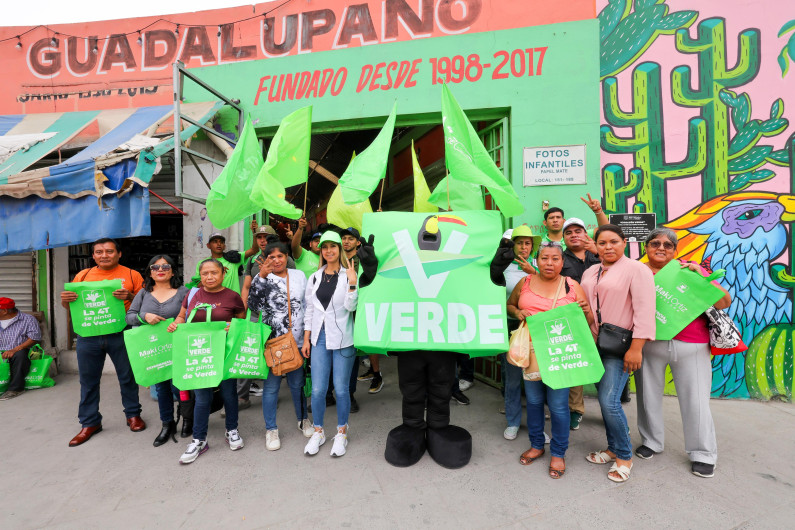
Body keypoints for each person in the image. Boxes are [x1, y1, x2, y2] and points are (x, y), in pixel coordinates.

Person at [635, 227, 731, 478]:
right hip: (649, 344)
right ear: (646, 247)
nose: (661, 248)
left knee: (696, 401)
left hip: (692, 344)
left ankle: (703, 453)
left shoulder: (689, 270)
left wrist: (701, 277)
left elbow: (724, 302)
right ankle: (651, 441)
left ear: (675, 250)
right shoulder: (637, 271)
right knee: (647, 397)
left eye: (668, 245)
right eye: (655, 243)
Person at [506, 242, 593, 478]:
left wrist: (585, 310)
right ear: (537, 260)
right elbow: (510, 305)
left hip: (560, 354)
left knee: (557, 406)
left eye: (555, 259)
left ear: (562, 262)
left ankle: (558, 452)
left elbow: (588, 321)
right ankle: (536, 445)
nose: (549, 263)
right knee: (533, 402)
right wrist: (518, 313)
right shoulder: (524, 283)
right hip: (532, 352)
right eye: (544, 258)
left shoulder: (571, 285)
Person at [580, 225, 655, 483]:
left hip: (621, 346)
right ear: (596, 246)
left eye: (614, 241)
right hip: (594, 344)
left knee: (610, 401)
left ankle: (624, 455)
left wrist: (636, 349)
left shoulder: (637, 269)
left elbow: (645, 311)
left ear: (624, 242)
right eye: (602, 243)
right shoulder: (591, 270)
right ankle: (612, 448)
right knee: (604, 400)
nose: (608, 247)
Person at [60, 238, 146, 447]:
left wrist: (131, 295)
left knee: (127, 376)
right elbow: (70, 307)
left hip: (121, 331)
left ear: (119, 254)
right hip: (88, 334)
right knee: (88, 380)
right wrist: (66, 300)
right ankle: (90, 423)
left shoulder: (132, 275)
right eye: (99, 252)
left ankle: (133, 414)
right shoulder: (83, 275)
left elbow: (145, 304)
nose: (104, 255)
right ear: (93, 256)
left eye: (109, 251)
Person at [168, 258, 246, 464]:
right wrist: (175, 325)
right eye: (205, 274)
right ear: (200, 276)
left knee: (229, 394)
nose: (209, 277)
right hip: (199, 355)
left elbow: (241, 320)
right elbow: (181, 317)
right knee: (202, 398)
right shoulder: (193, 294)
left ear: (222, 274)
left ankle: (232, 430)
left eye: (214, 273)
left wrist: (233, 326)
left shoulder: (232, 296)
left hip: (223, 354)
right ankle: (199, 439)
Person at [247, 242, 313, 450]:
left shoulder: (299, 276)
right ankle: (271, 429)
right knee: (272, 387)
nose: (276, 260)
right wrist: (263, 278)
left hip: (297, 339)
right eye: (272, 257)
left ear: (287, 257)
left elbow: (306, 305)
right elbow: (254, 307)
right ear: (266, 259)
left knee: (297, 384)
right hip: (274, 341)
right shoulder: (261, 278)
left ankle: (303, 419)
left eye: (280, 256)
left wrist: (307, 337)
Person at [302, 231, 358, 457]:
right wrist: (306, 338)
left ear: (340, 249)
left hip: (343, 338)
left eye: (333, 246)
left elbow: (351, 307)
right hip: (319, 338)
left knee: (342, 389)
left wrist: (353, 284)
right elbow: (309, 310)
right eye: (324, 247)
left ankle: (342, 432)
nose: (328, 250)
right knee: (317, 390)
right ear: (321, 251)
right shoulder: (314, 277)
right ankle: (319, 431)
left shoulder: (348, 275)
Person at [126, 255, 189, 446]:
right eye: (155, 267)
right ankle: (167, 424)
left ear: (173, 270)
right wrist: (144, 316)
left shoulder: (184, 292)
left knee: (181, 387)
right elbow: (129, 317)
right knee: (161, 388)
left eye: (165, 266)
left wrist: (181, 320)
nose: (160, 269)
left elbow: (195, 315)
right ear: (150, 272)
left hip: (178, 347)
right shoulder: (144, 293)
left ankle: (187, 419)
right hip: (155, 349)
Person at [238, 224, 295, 407]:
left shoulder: (286, 260)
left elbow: (291, 288)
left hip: (277, 317)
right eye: (259, 237)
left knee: (275, 353)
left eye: (266, 237)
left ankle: (272, 393)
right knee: (249, 352)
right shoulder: (253, 260)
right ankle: (242, 396)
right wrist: (242, 311)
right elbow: (247, 287)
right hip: (255, 313)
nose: (262, 240)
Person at [560, 217, 601, 431]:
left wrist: (598, 251)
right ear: (564, 238)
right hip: (574, 320)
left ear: (586, 234)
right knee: (576, 367)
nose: (574, 235)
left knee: (603, 366)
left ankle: (610, 411)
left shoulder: (600, 256)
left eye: (578, 231)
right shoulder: (560, 259)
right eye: (569, 232)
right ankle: (576, 409)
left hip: (604, 321)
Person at [501, 225, 541, 440]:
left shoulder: (540, 265)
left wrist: (534, 273)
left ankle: (537, 423)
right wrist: (515, 311)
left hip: (536, 328)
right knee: (513, 377)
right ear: (513, 245)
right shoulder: (502, 266)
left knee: (536, 377)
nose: (524, 247)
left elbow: (551, 288)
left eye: (527, 243)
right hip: (511, 326)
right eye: (520, 243)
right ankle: (513, 421)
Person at [192, 226, 259, 295]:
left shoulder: (233, 258)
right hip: (211, 302)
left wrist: (254, 233)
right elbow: (197, 286)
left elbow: (254, 250)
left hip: (232, 302)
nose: (219, 244)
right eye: (215, 242)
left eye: (221, 242)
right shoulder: (203, 264)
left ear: (224, 246)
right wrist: (214, 272)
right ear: (208, 246)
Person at [0, 297, 42, 401]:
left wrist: (14, 350)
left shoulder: (28, 319)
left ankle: (15, 389)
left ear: (5, 311)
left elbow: (34, 338)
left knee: (20, 355)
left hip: (19, 350)